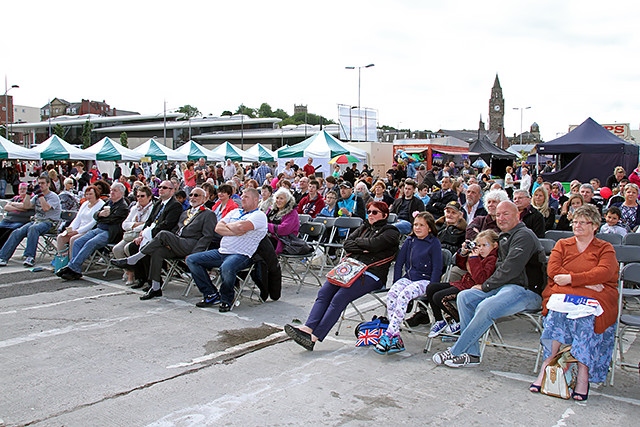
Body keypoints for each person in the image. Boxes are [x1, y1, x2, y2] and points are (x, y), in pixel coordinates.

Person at [432, 201, 546, 368]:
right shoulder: (504, 237)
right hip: (503, 288)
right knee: (465, 297)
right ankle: (472, 354)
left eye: (505, 214)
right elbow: (492, 266)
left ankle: (456, 350)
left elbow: (510, 269)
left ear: (517, 215)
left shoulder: (524, 236)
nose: (501, 218)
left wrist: (486, 286)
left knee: (485, 306)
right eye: (498, 214)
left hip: (526, 291)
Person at [529, 204, 619, 400]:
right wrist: (587, 283)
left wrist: (571, 280)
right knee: (556, 314)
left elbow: (604, 272)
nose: (576, 225)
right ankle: (547, 365)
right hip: (566, 293)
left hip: (595, 298)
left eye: (582, 222)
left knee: (587, 318)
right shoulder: (562, 244)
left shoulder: (605, 248)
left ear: (595, 225)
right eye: (575, 221)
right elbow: (553, 271)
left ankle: (583, 375)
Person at [284, 201, 400, 350]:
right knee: (324, 292)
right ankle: (308, 327)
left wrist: (361, 245)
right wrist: (364, 247)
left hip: (372, 273)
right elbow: (347, 244)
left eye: (375, 212)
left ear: (384, 215)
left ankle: (315, 337)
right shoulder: (364, 227)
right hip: (350, 269)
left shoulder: (391, 232)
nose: (370, 215)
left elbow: (374, 245)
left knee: (339, 298)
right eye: (369, 211)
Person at [112, 187, 217, 300]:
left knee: (163, 234)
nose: (192, 197)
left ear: (205, 198)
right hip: (178, 242)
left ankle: (134, 259)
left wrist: (196, 253)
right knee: (158, 252)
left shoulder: (208, 214)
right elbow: (175, 230)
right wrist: (168, 242)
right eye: (191, 195)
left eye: (196, 195)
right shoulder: (185, 213)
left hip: (191, 245)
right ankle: (156, 287)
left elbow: (207, 236)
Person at [186, 188, 267, 312]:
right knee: (192, 260)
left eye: (246, 197)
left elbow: (241, 227)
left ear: (256, 200)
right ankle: (211, 294)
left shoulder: (259, 216)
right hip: (222, 251)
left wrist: (231, 227)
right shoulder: (235, 212)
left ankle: (226, 299)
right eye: (242, 196)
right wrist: (235, 229)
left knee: (227, 267)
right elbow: (217, 228)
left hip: (242, 255)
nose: (242, 199)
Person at [374, 212, 442, 354]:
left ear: (429, 228)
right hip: (410, 277)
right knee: (393, 293)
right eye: (415, 224)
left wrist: (432, 287)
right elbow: (399, 263)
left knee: (404, 295)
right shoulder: (410, 241)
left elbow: (437, 267)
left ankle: (388, 334)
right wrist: (396, 282)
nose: (417, 228)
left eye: (421, 225)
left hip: (425, 280)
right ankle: (395, 336)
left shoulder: (434, 243)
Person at [411, 229, 500, 336]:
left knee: (439, 297)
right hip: (464, 284)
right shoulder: (481, 256)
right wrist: (464, 253)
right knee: (431, 288)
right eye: (478, 245)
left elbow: (480, 279)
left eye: (484, 245)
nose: (481, 249)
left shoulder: (492, 259)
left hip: (474, 289)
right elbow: (461, 265)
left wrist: (474, 258)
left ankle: (461, 321)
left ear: (495, 245)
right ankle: (440, 320)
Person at [57, 183, 129, 280]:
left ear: (121, 193)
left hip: (109, 232)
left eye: (114, 191)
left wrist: (101, 217)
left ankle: (72, 267)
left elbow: (111, 220)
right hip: (99, 229)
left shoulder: (123, 206)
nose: (111, 192)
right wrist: (100, 214)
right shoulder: (108, 202)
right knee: (78, 242)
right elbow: (95, 216)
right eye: (111, 190)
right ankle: (75, 268)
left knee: (90, 243)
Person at [0, 174, 61, 268]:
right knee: (17, 232)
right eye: (39, 183)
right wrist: (28, 193)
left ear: (48, 184)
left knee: (33, 228)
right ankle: (3, 257)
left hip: (50, 223)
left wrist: (40, 195)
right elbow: (26, 206)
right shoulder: (36, 197)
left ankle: (30, 256)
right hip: (37, 221)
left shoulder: (53, 197)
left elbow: (45, 208)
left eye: (43, 183)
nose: (40, 185)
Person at [112, 186, 154, 285]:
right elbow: (124, 224)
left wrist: (134, 226)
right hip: (130, 234)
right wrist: (135, 225)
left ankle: (133, 274)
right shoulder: (135, 208)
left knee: (128, 248)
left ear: (149, 197)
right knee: (117, 249)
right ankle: (129, 271)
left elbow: (148, 224)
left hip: (143, 235)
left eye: (142, 196)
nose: (139, 198)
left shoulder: (152, 208)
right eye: (138, 196)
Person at [56, 185, 105, 259]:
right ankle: (61, 260)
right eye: (87, 194)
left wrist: (77, 231)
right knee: (61, 237)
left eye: (91, 194)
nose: (88, 196)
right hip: (79, 228)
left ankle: (72, 262)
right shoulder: (85, 204)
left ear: (96, 194)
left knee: (74, 239)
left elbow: (93, 223)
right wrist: (71, 229)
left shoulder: (101, 204)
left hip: (90, 231)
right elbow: (77, 218)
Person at [0, 183, 34, 248]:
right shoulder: (15, 198)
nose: (22, 190)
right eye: (20, 189)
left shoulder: (32, 199)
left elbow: (25, 207)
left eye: (24, 189)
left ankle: (2, 251)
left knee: (8, 232)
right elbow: (6, 207)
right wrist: (19, 208)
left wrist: (13, 205)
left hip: (20, 221)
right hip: (7, 220)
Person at [266, 188, 300, 255]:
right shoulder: (272, 210)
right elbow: (263, 220)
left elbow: (283, 229)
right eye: (277, 198)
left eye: (281, 198)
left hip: (283, 241)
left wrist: (266, 225)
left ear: (287, 200)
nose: (278, 200)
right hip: (269, 237)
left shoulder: (292, 213)